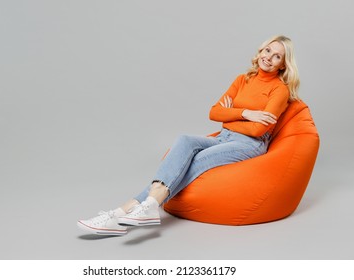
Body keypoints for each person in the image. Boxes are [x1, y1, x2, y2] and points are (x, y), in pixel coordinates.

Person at [77, 35, 300, 236]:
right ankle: (140, 210)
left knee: (196, 161)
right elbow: (214, 112)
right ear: (260, 51)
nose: (269, 57)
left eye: (277, 56)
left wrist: (230, 117)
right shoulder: (243, 80)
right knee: (184, 140)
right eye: (267, 51)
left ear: (283, 65)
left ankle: (121, 214)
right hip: (224, 137)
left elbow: (258, 130)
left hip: (249, 144)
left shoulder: (279, 90)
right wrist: (246, 113)